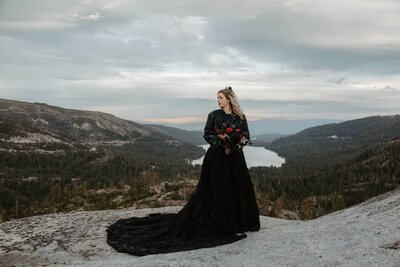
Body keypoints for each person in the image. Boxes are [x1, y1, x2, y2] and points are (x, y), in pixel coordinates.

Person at [106, 86, 260, 256]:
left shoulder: (240, 116)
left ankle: (239, 222)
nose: (218, 100)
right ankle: (221, 223)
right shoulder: (213, 115)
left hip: (235, 159)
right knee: (218, 190)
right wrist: (221, 141)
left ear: (229, 99)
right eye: (217, 98)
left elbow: (246, 136)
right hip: (217, 158)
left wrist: (236, 143)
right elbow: (207, 134)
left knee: (237, 189)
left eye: (221, 98)